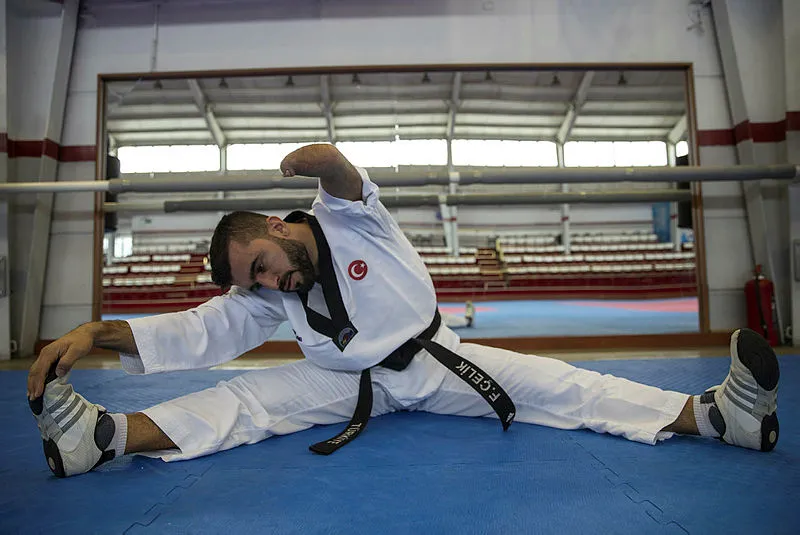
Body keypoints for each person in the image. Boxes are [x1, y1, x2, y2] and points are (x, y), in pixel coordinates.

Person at [27, 144, 779, 477]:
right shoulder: (267, 292)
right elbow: (200, 329)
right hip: (341, 383)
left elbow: (344, 179)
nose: (269, 284)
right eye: (254, 281)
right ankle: (104, 438)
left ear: (278, 227)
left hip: (434, 361)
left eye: (262, 265)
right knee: (243, 401)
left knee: (563, 386)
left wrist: (325, 158)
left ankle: (717, 416)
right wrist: (95, 331)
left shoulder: (351, 221)